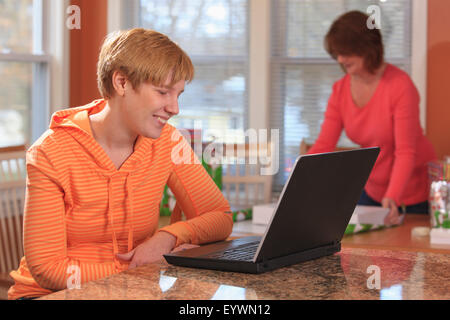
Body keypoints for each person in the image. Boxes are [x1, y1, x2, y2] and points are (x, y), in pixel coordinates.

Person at [8, 28, 233, 300]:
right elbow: (48, 270)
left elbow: (219, 217)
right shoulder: (51, 152)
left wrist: (169, 238)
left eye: (178, 94)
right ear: (122, 83)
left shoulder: (168, 142)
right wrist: (144, 265)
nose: (174, 108)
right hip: (50, 294)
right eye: (163, 92)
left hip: (133, 291)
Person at [306, 11, 437, 226]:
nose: (340, 59)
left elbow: (405, 152)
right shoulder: (340, 91)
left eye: (346, 52)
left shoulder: (400, 86)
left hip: (412, 191)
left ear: (367, 48)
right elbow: (324, 144)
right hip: (373, 188)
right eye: (337, 53)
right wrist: (297, 180)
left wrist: (393, 195)